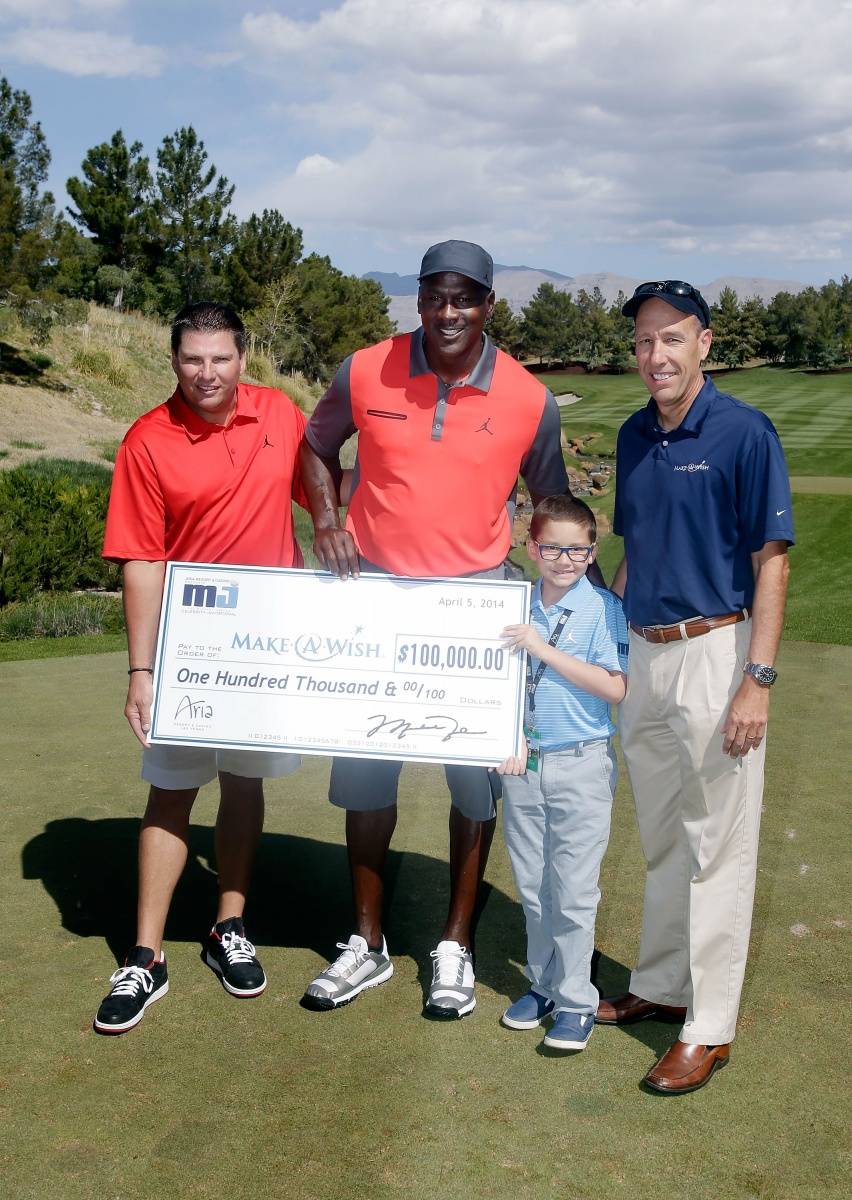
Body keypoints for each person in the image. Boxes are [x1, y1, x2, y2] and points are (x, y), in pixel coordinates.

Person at [298, 239, 573, 1018]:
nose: (448, 313)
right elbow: (316, 448)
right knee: (366, 776)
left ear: (489, 304)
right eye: (434, 297)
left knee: (474, 786)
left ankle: (454, 943)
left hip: (475, 607)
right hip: (375, 596)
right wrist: (325, 518)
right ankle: (367, 942)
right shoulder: (364, 369)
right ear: (417, 300)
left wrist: (552, 605)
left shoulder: (528, 397)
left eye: (465, 298)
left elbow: (551, 505)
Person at [598, 280, 793, 1092]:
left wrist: (758, 679)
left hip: (719, 652)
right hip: (645, 655)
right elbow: (633, 554)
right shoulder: (635, 435)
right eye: (643, 342)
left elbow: (771, 561)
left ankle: (708, 1027)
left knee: (719, 842)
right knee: (667, 834)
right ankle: (664, 981)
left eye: (671, 339)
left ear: (703, 344)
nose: (655, 356)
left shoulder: (745, 433)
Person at [94, 301, 306, 1034]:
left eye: (220, 358)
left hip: (271, 640)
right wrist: (140, 670)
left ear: (243, 359)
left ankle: (229, 925)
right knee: (172, 790)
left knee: (244, 782)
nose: (207, 372)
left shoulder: (281, 415)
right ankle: (146, 955)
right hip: (190, 645)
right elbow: (142, 561)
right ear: (174, 361)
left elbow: (330, 497)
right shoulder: (148, 440)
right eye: (192, 359)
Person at [497, 495, 628, 1052]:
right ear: (532, 548)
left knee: (574, 892)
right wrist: (505, 736)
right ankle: (545, 985)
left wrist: (542, 648)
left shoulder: (602, 609)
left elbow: (615, 688)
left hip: (582, 763)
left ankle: (577, 1001)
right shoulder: (514, 603)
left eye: (577, 550)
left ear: (592, 552)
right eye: (552, 547)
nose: (564, 559)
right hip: (523, 764)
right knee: (533, 888)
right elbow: (495, 683)